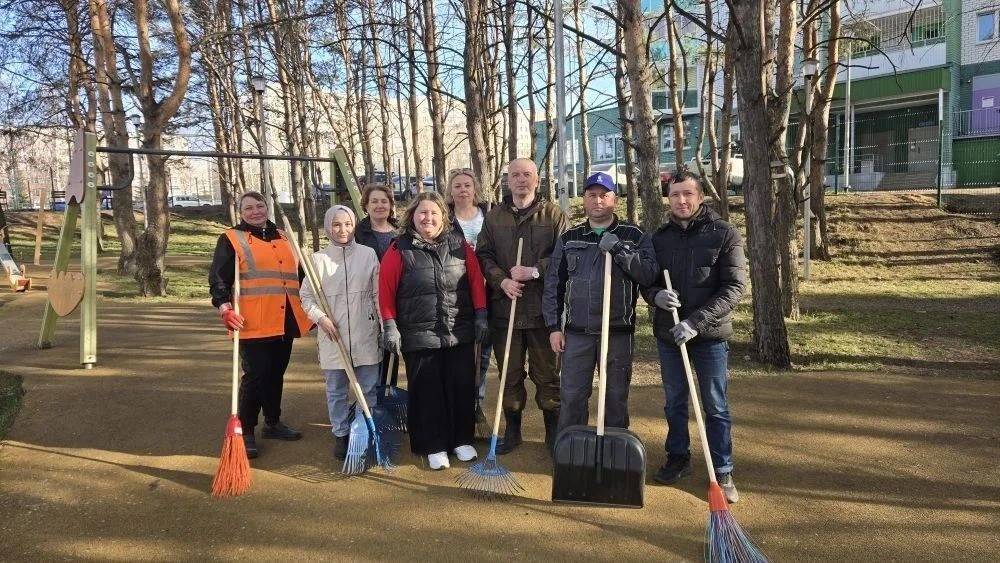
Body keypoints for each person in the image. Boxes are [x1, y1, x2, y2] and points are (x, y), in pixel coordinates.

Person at [642, 170, 747, 503]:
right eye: (675, 195)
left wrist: (696, 322)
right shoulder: (659, 238)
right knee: (674, 402)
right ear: (668, 198)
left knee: (715, 405)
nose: (681, 200)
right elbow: (647, 280)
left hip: (709, 336)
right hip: (670, 335)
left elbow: (734, 287)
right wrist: (655, 295)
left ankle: (722, 468)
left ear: (701, 197)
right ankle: (678, 457)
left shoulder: (724, 233)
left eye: (688, 194)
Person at [378, 192, 490, 470]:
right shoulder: (399, 248)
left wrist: (481, 314)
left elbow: (475, 281)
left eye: (434, 213)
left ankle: (461, 440)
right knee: (427, 390)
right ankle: (433, 444)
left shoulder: (459, 245)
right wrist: (390, 325)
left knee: (460, 386)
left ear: (444, 217)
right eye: (422, 213)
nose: (428, 218)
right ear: (412, 216)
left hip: (458, 330)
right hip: (419, 333)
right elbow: (385, 290)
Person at [543, 173, 657, 440]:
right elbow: (553, 286)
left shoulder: (634, 235)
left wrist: (619, 249)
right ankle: (570, 451)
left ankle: (615, 453)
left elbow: (649, 274)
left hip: (617, 332)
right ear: (583, 199)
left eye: (604, 195)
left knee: (615, 396)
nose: (597, 200)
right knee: (571, 396)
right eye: (591, 195)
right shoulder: (570, 237)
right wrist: (553, 327)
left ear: (614, 199)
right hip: (577, 333)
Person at [208, 191, 313, 459]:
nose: (255, 211)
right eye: (249, 208)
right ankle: (247, 431)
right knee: (255, 376)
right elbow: (219, 278)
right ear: (240, 212)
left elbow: (300, 276)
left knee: (276, 372)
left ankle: (273, 422)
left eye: (260, 206)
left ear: (267, 207)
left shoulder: (284, 236)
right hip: (252, 321)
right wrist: (224, 307)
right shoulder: (232, 238)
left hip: (285, 318)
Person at [476, 158, 568, 454]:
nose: (521, 180)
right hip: (506, 312)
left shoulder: (553, 215)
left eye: (527, 174)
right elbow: (483, 256)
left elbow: (565, 256)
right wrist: (501, 281)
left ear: (537, 180)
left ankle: (552, 433)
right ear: (507, 180)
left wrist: (534, 271)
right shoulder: (494, 218)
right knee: (510, 375)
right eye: (515, 175)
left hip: (543, 313)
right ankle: (513, 431)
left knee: (547, 377)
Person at [300, 205, 382, 461]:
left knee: (367, 388)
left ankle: (363, 430)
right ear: (328, 227)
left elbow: (378, 293)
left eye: (347, 224)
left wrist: (384, 324)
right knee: (336, 389)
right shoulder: (317, 260)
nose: (343, 229)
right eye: (336, 224)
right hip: (333, 335)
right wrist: (321, 319)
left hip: (364, 332)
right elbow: (306, 297)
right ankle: (341, 433)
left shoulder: (368, 255)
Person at [445, 169, 493, 428]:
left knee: (483, 355)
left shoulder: (490, 216)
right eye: (457, 186)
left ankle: (477, 405)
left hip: (489, 292)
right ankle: (458, 406)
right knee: (460, 354)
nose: (463, 190)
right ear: (450, 192)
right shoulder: (444, 220)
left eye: (467, 185)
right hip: (456, 296)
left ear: (475, 189)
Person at [354, 184, 400, 390]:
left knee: (393, 350)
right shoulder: (357, 234)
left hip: (397, 300)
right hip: (367, 301)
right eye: (374, 201)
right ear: (366, 205)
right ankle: (370, 399)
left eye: (384, 201)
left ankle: (388, 395)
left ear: (391, 205)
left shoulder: (402, 233)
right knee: (372, 354)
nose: (380, 205)